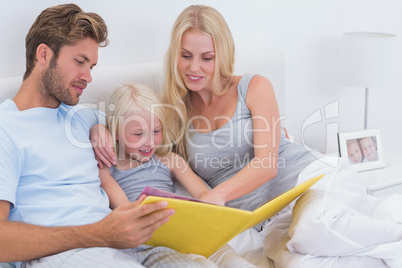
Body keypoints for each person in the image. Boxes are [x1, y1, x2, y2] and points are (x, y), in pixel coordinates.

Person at [93, 5, 402, 268]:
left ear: (222, 54)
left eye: (207, 57)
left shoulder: (253, 86)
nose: (194, 67)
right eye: (186, 55)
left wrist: (218, 195)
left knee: (315, 231)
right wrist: (98, 128)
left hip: (308, 183)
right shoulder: (174, 109)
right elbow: (134, 127)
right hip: (267, 221)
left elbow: (267, 164)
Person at [0, 4, 222, 268]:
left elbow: (129, 127)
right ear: (44, 54)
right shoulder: (7, 128)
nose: (88, 77)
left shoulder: (82, 117)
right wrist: (100, 232)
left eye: (92, 66)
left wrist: (99, 127)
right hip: (67, 253)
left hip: (128, 244)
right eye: (80, 62)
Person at [99, 82, 258, 268]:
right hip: (150, 241)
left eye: (156, 131)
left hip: (188, 232)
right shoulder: (108, 169)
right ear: (115, 132)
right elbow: (126, 209)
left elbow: (203, 195)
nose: (150, 142)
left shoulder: (169, 160)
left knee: (231, 259)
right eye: (138, 134)